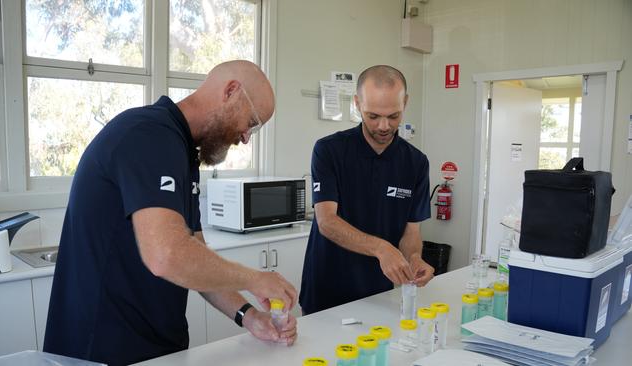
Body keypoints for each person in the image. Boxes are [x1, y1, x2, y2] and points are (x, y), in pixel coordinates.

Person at [44, 60, 298, 365]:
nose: (246, 137)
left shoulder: (182, 153)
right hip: (103, 349)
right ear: (231, 91)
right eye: (253, 122)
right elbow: (166, 256)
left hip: (157, 347)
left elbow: (195, 256)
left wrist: (249, 316)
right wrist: (255, 278)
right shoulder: (149, 135)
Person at [299, 65, 435, 315]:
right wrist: (381, 248)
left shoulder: (416, 163)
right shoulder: (329, 151)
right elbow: (327, 221)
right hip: (327, 290)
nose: (384, 126)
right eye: (373, 116)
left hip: (379, 292)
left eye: (394, 116)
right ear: (357, 103)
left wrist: (414, 258)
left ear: (405, 103)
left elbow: (411, 231)